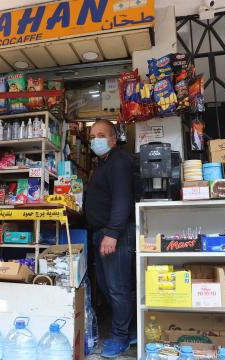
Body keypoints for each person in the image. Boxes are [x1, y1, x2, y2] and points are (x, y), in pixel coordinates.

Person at [85, 120, 136, 358]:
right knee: (108, 286)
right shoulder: (104, 163)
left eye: (101, 135)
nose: (96, 140)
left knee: (117, 288)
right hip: (103, 233)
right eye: (93, 136)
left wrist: (113, 233)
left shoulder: (118, 161)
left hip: (115, 233)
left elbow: (122, 198)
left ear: (113, 139)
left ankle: (120, 337)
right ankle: (129, 330)